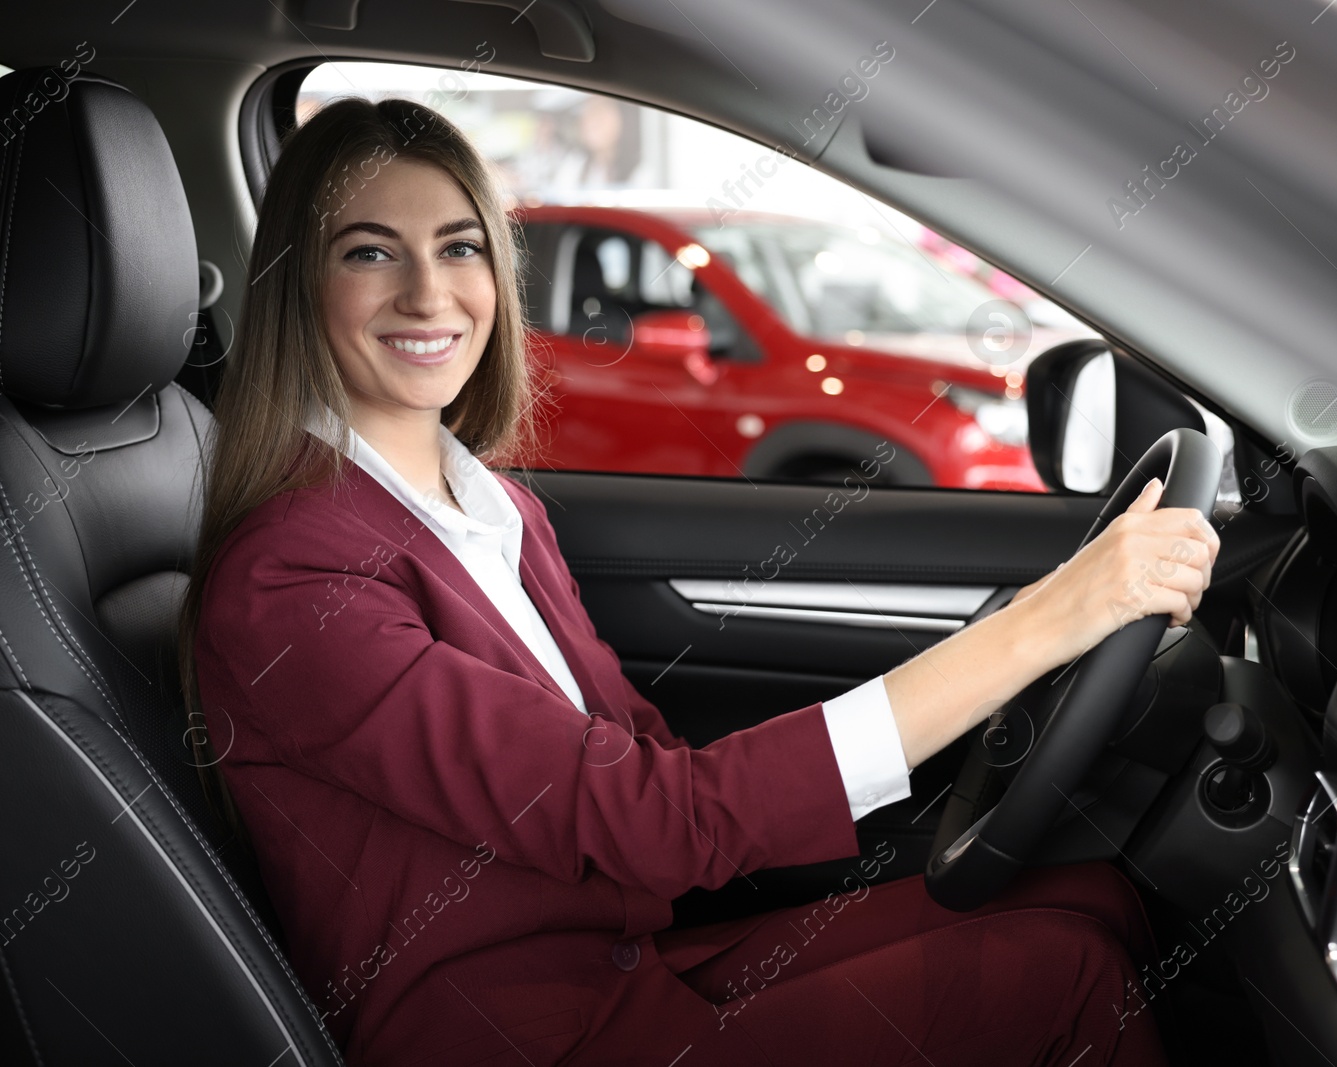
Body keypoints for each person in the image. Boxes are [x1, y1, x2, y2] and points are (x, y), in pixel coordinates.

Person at [182, 97, 1218, 1067]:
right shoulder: (292, 579)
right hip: (522, 1029)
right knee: (1067, 974)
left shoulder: (493, 509)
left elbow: (648, 763)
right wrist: (1046, 620)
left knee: (1091, 900)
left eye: (458, 247)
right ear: (296, 283)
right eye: (371, 252)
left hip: (628, 956)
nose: (428, 292)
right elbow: (647, 813)